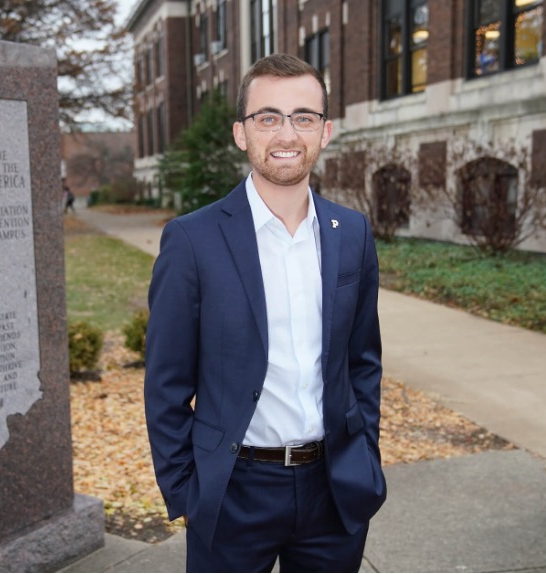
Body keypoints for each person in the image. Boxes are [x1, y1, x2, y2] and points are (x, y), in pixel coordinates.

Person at [144, 53, 386, 572]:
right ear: (241, 133)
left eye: (304, 117)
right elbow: (165, 382)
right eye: (268, 117)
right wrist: (187, 490)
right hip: (232, 490)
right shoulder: (192, 240)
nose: (287, 133)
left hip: (333, 489)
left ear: (325, 132)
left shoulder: (353, 234)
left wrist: (366, 458)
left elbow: (363, 361)